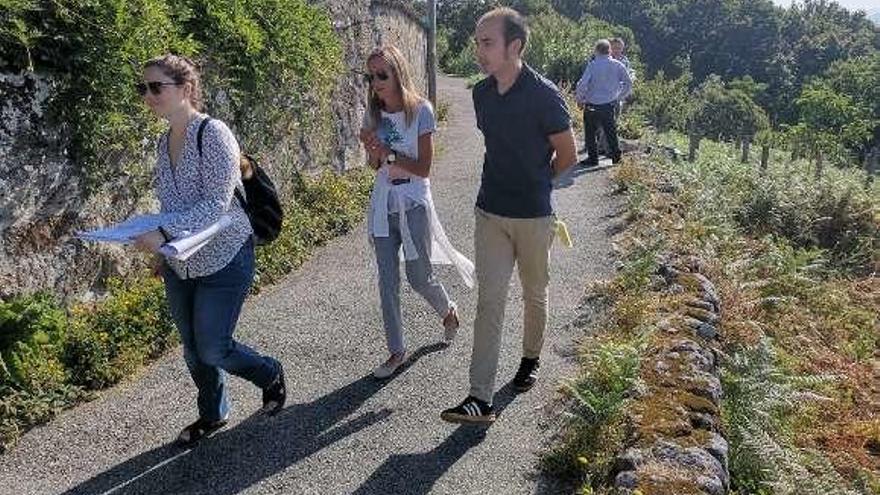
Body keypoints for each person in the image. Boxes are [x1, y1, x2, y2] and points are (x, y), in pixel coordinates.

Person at [133, 54, 285, 447]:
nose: (148, 96)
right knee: (193, 349)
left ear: (185, 89)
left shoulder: (214, 134)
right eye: (143, 88)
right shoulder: (162, 141)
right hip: (182, 261)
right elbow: (172, 203)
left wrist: (164, 232)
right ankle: (213, 413)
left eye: (155, 87)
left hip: (226, 255)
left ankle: (269, 373)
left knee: (214, 345)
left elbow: (217, 204)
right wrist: (162, 253)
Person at [440, 8, 577, 424]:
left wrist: (538, 185)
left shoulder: (545, 95)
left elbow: (568, 156)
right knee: (489, 301)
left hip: (534, 217)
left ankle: (530, 358)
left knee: (534, 293)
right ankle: (479, 397)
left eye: (487, 43)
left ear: (514, 47)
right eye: (477, 42)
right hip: (491, 214)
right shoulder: (481, 94)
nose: (479, 51)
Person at [359, 46, 474, 380]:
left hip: (414, 204)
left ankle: (448, 310)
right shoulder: (373, 113)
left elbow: (423, 168)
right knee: (387, 281)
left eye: (383, 74)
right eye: (372, 75)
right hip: (383, 205)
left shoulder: (421, 111)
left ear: (398, 72)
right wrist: (372, 153)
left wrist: (388, 154)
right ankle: (396, 350)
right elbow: (375, 166)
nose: (376, 82)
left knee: (419, 276)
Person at [575, 39, 633, 167]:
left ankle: (593, 159)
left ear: (596, 51)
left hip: (592, 104)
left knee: (590, 133)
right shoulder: (618, 65)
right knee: (611, 131)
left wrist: (580, 99)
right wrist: (619, 97)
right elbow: (629, 83)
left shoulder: (592, 65)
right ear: (609, 50)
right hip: (609, 104)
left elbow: (582, 84)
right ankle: (616, 158)